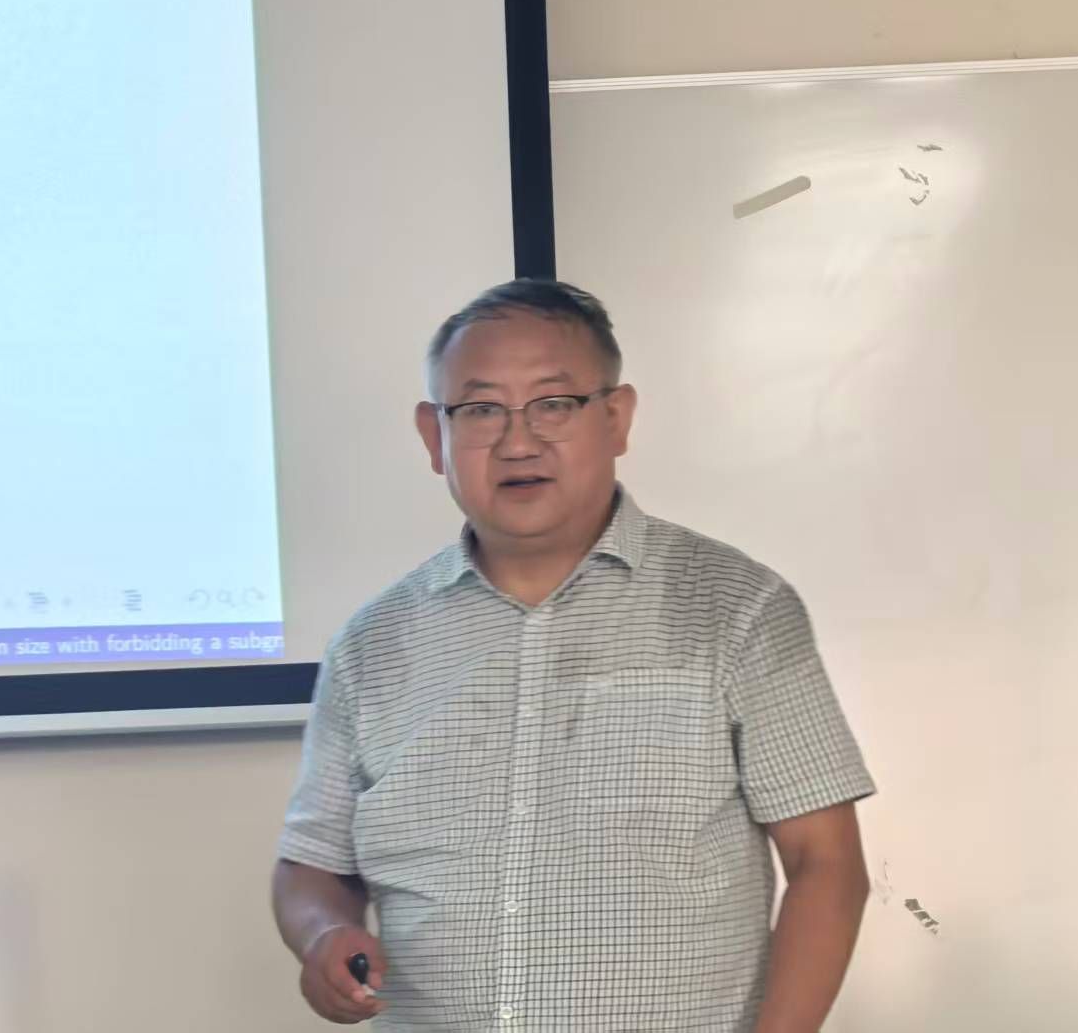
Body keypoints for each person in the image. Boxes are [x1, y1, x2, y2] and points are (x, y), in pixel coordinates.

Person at [272, 280, 875, 1031]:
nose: (518, 441)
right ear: (434, 436)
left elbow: (826, 865)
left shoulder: (737, 609)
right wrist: (323, 933)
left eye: (553, 404)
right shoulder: (371, 645)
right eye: (480, 410)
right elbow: (313, 863)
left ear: (616, 418)